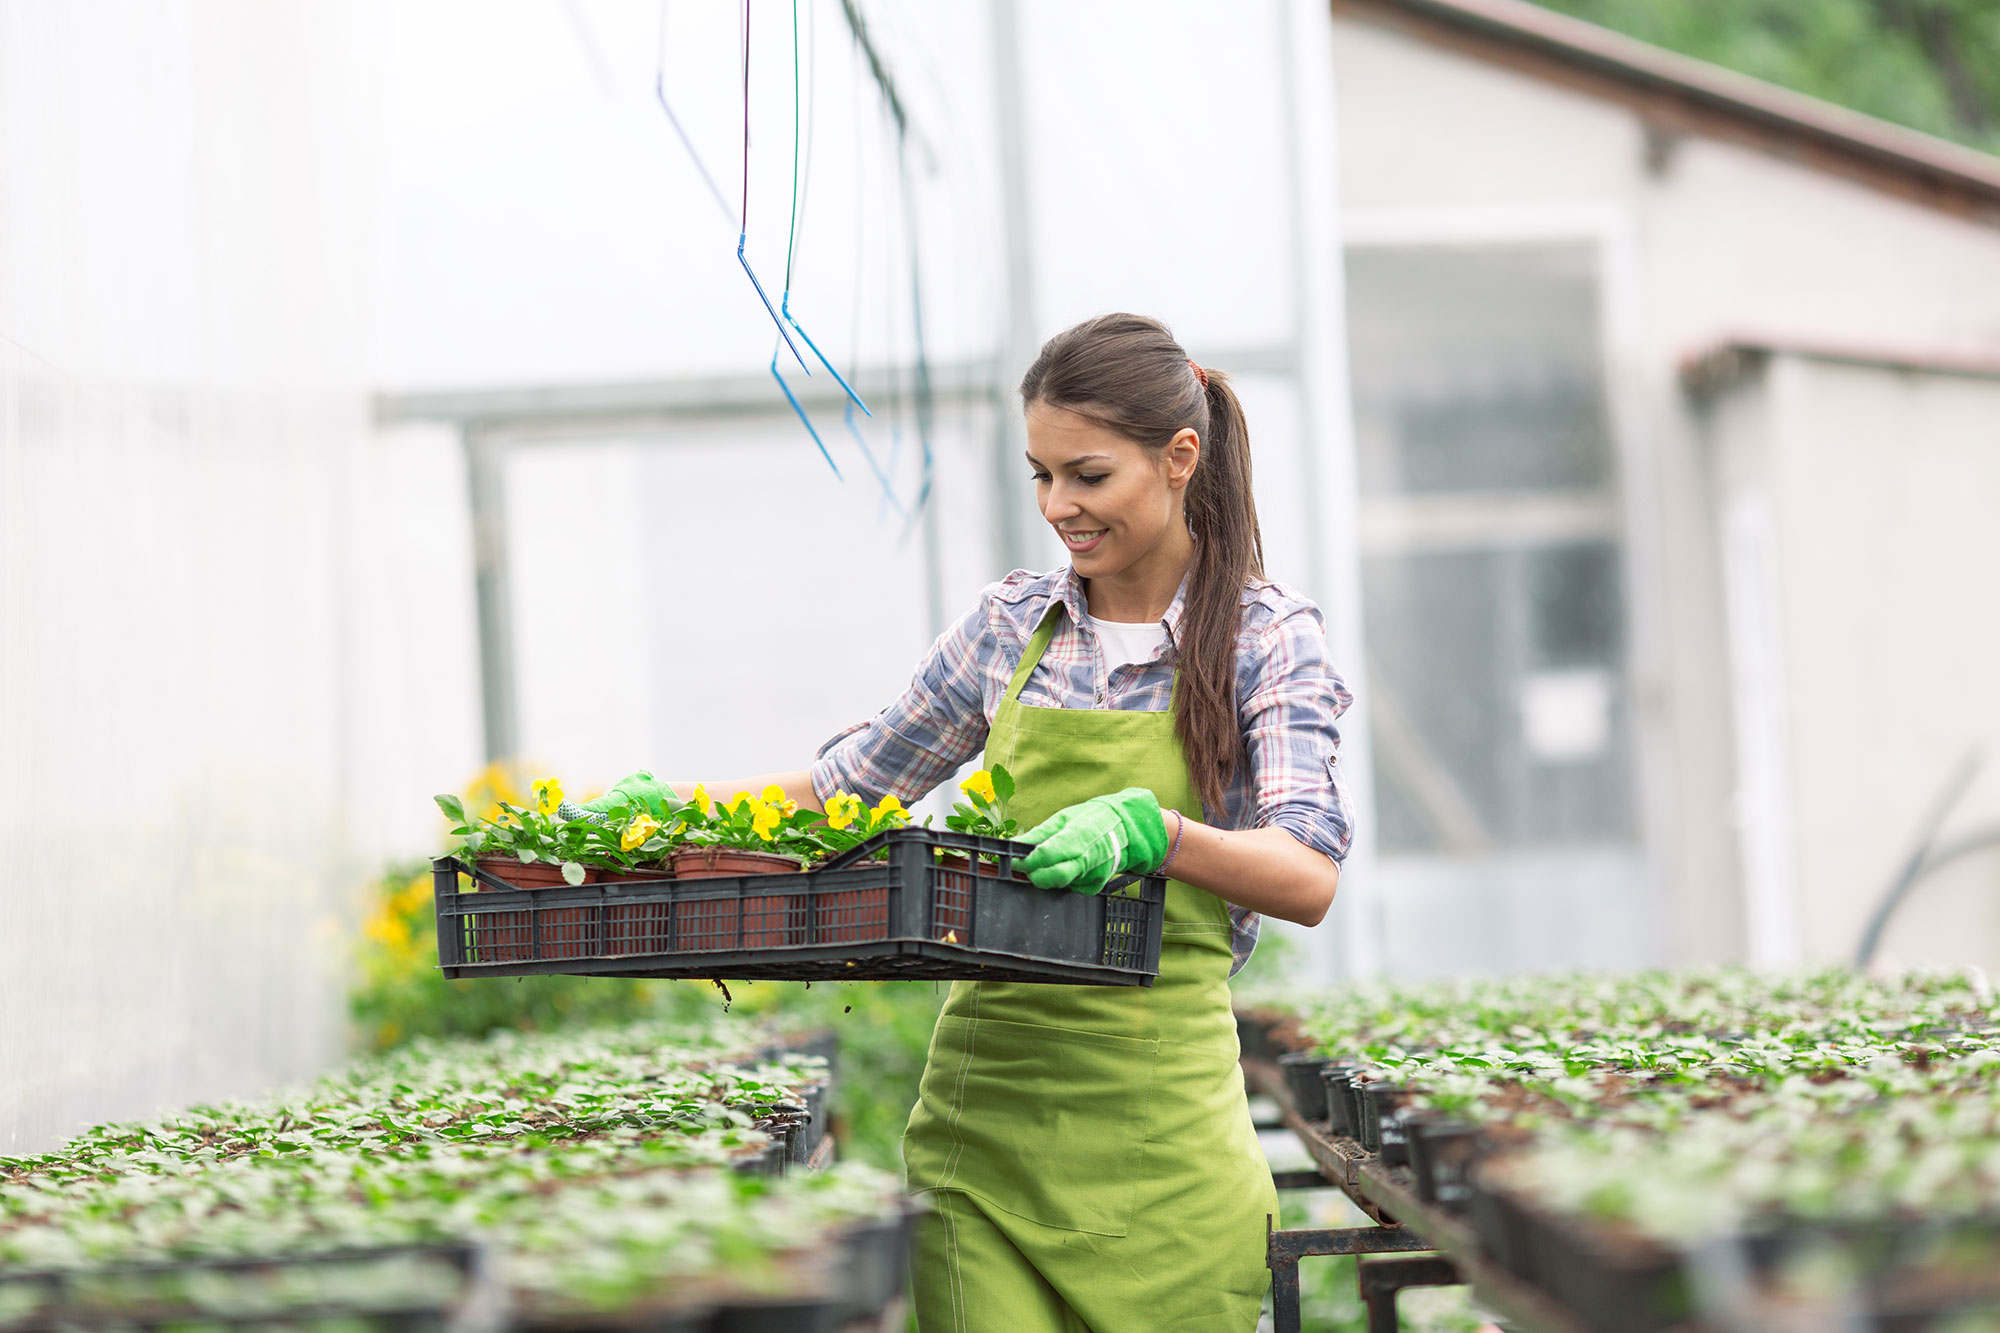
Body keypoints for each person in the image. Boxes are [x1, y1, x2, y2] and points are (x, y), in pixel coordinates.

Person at [590, 312, 1352, 1331]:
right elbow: (849, 790)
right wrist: (668, 819)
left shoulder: (1263, 636)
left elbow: (1304, 872)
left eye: (1086, 475)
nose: (1057, 507)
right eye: (1039, 476)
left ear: (1178, 459)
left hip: (1161, 1150)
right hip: (983, 1132)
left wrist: (1158, 835)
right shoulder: (1010, 626)